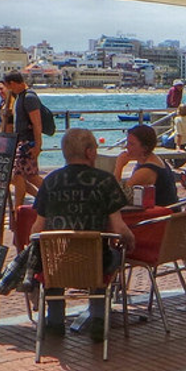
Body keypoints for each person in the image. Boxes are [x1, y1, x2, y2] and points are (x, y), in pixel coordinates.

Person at [31, 128, 137, 341]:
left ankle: (55, 321)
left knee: (50, 260)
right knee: (111, 256)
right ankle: (98, 318)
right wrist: (131, 241)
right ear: (89, 152)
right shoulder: (105, 181)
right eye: (95, 149)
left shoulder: (50, 181)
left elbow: (36, 230)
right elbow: (119, 228)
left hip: (57, 264)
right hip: (95, 264)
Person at [4, 71, 45, 210]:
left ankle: (19, 209)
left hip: (28, 143)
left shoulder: (29, 97)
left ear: (12, 83)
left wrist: (38, 146)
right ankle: (20, 208)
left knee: (23, 176)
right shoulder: (20, 97)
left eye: (8, 86)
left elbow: (37, 123)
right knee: (24, 176)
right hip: (21, 142)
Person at [112, 124, 179, 208]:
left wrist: (119, 166)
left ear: (144, 148)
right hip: (164, 210)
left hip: (162, 214)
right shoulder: (153, 159)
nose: (127, 147)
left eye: (131, 144)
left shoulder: (147, 171)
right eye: (127, 143)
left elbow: (117, 196)